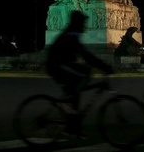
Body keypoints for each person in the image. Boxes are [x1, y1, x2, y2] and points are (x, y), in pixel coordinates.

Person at [46, 10, 113, 138]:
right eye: (83, 23)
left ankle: (71, 123)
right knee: (81, 79)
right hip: (58, 65)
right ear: (77, 23)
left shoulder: (71, 33)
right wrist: (103, 66)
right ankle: (72, 122)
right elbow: (85, 54)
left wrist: (98, 65)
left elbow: (84, 54)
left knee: (80, 81)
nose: (85, 26)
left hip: (61, 64)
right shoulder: (71, 35)